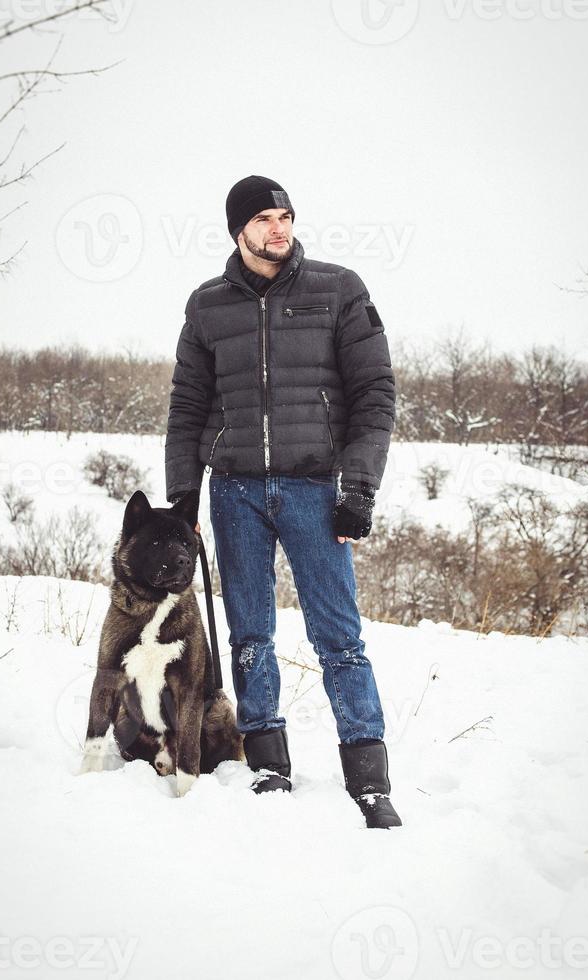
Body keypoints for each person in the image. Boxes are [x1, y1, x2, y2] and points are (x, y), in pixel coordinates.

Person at [165, 175, 401, 829]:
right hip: (234, 490)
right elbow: (186, 405)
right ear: (238, 229)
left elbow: (375, 393)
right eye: (265, 218)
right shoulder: (207, 305)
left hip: (314, 487)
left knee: (339, 637)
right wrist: (182, 494)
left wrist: (359, 486)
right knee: (249, 635)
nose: (280, 228)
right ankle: (268, 761)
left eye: (287, 216)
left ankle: (369, 780)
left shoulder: (338, 289)